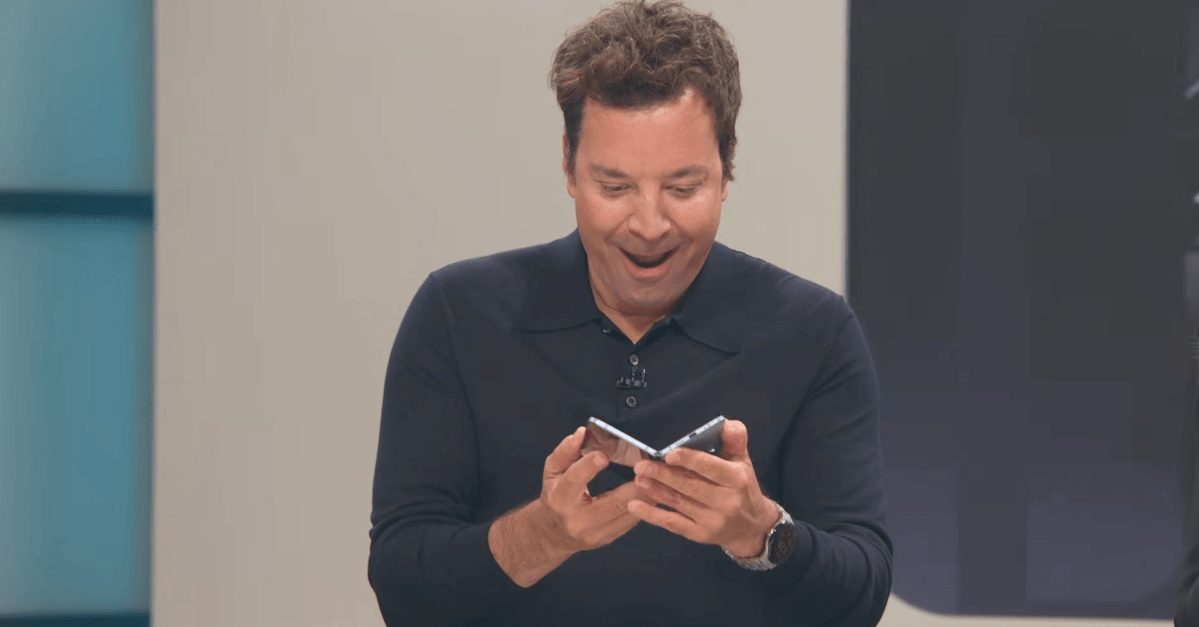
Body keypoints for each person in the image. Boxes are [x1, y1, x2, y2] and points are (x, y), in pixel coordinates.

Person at [367, 1, 892, 625]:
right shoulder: (457, 315)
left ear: (727, 167)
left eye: (682, 187)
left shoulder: (814, 331)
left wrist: (760, 533)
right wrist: (542, 535)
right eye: (615, 187)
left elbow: (861, 595)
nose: (648, 225)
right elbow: (401, 586)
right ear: (569, 164)